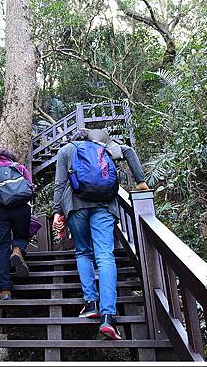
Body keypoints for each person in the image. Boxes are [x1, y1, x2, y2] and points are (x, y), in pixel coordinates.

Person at [52, 128, 149, 340]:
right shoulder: (103, 148)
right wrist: (141, 182)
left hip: (76, 206)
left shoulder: (66, 150)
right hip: (105, 205)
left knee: (83, 253)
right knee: (105, 256)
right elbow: (129, 152)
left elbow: (59, 183)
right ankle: (108, 317)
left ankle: (90, 303)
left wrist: (57, 212)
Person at [0, 148, 33, 300]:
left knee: (2, 247)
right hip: (21, 207)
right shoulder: (19, 167)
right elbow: (30, 186)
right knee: (21, 236)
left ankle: (5, 290)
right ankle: (17, 249)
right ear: (11, 158)